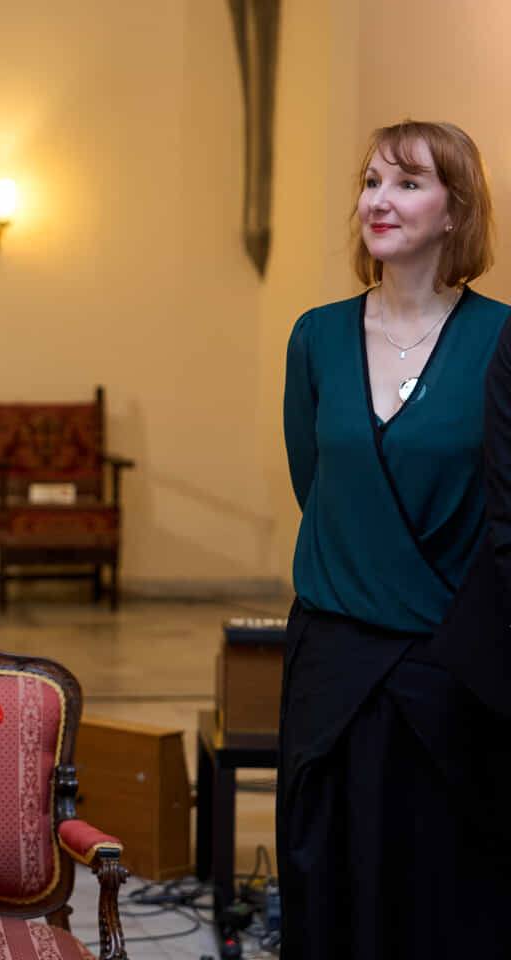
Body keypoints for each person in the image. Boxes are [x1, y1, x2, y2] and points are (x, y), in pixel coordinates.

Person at [279, 120, 505, 958]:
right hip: (333, 663)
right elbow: (319, 488)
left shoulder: (501, 340)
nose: (380, 200)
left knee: (444, 896)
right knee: (328, 885)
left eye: (409, 183)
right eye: (372, 182)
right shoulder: (316, 336)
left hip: (455, 669)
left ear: (456, 211)